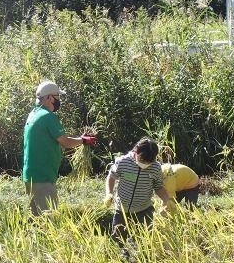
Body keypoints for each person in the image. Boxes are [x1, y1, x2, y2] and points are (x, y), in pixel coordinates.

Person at [22, 80, 97, 216]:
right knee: (48, 220)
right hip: (43, 178)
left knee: (36, 218)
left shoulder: (33, 114)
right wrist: (83, 140)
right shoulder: (48, 117)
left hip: (32, 176)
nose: (59, 100)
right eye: (57, 96)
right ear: (49, 97)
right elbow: (65, 142)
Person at [103, 138, 173, 247]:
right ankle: (119, 261)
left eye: (148, 162)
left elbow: (159, 187)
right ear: (136, 152)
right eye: (142, 160)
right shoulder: (123, 162)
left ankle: (140, 262)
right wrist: (109, 193)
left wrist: (166, 199)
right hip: (122, 210)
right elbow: (111, 177)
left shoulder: (155, 168)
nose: (145, 164)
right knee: (118, 241)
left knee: (143, 243)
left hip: (143, 211)